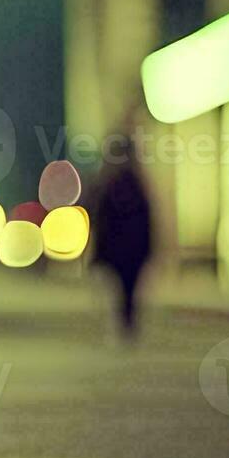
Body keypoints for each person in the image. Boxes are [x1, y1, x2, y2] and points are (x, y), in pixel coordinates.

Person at [92, 145, 154, 340]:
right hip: (131, 249)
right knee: (128, 288)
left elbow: (101, 221)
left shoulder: (109, 184)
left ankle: (125, 321)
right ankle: (127, 321)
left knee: (123, 289)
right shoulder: (136, 183)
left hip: (120, 249)